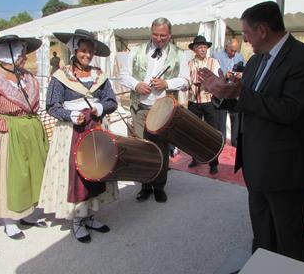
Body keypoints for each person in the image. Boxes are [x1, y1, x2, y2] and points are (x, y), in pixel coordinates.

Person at [199, 1, 304, 262]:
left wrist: (240, 92)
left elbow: (290, 110)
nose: (244, 39)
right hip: (256, 162)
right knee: (262, 230)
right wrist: (220, 93)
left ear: (262, 30)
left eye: (247, 33)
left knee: (288, 234)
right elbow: (245, 100)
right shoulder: (254, 61)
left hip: (285, 167)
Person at [39, 29, 118, 243]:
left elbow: (112, 102)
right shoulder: (61, 76)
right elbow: (51, 106)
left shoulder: (99, 76)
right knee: (78, 174)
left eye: (90, 51)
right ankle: (77, 221)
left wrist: (100, 108)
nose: (87, 55)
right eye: (83, 50)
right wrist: (71, 114)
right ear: (75, 50)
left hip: (97, 129)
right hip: (72, 130)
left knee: (96, 170)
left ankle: (91, 216)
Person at [0, 35, 49, 240]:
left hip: (31, 128)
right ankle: (10, 220)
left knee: (33, 171)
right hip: (8, 132)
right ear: (9, 55)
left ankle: (27, 213)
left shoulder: (27, 77)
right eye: (22, 52)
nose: (25, 56)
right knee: (11, 176)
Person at [120, 17, 189, 203]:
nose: (159, 39)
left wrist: (168, 83)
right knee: (142, 148)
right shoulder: (136, 51)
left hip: (164, 109)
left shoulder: (180, 54)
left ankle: (159, 186)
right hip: (140, 107)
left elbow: (185, 81)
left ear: (170, 35)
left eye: (163, 36)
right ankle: (145, 186)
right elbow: (124, 75)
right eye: (155, 35)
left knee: (161, 147)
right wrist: (136, 85)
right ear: (151, 33)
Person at [186, 35, 222, 174]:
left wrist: (209, 81)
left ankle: (214, 163)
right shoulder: (188, 64)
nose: (203, 49)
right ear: (194, 49)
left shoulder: (214, 62)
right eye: (200, 47)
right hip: (194, 102)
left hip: (209, 102)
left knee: (212, 133)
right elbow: (184, 80)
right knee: (193, 132)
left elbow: (220, 80)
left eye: (205, 47)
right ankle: (195, 158)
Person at [212, 38, 246, 147]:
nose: (234, 53)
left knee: (235, 116)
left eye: (235, 50)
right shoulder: (216, 56)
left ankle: (235, 142)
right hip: (222, 91)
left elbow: (245, 71)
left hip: (235, 91)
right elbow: (213, 73)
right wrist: (225, 76)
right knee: (221, 118)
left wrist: (241, 75)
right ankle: (221, 142)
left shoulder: (240, 57)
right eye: (232, 50)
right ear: (226, 47)